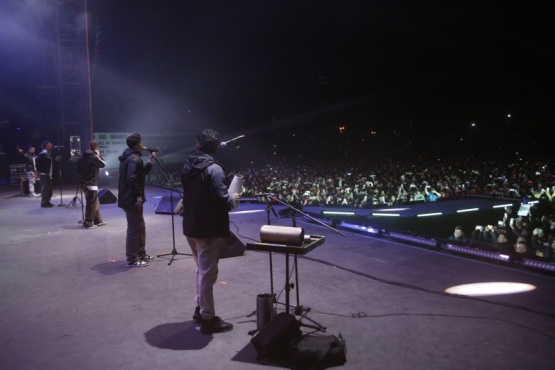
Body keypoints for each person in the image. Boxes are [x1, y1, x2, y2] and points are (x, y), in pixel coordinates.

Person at [181, 129, 240, 334]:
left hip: (190, 225)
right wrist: (234, 200)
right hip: (206, 228)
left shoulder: (188, 166)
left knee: (200, 270)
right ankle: (208, 318)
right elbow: (222, 200)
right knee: (207, 274)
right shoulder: (214, 170)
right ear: (215, 148)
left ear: (198, 146)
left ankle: (200, 308)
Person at [117, 133, 156, 267]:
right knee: (135, 228)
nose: (143, 145)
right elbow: (132, 178)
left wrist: (150, 162)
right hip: (131, 199)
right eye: (141, 143)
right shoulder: (134, 159)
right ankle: (132, 259)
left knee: (139, 226)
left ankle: (141, 254)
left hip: (128, 197)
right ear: (137, 145)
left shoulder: (130, 157)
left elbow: (140, 174)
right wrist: (138, 195)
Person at [78, 140, 107, 229]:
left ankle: (97, 220)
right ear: (96, 148)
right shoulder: (93, 157)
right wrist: (98, 155)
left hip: (84, 182)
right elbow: (103, 164)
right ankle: (88, 222)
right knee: (92, 203)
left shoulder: (82, 157)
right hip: (91, 183)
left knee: (95, 202)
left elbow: (78, 168)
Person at [35, 140, 60, 208]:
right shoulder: (43, 153)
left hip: (48, 173)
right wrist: (38, 171)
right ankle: (44, 203)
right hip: (44, 173)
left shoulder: (48, 153)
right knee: (45, 188)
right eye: (50, 144)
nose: (51, 145)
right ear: (46, 146)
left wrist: (55, 160)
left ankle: (47, 201)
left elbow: (48, 163)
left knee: (49, 188)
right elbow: (37, 162)